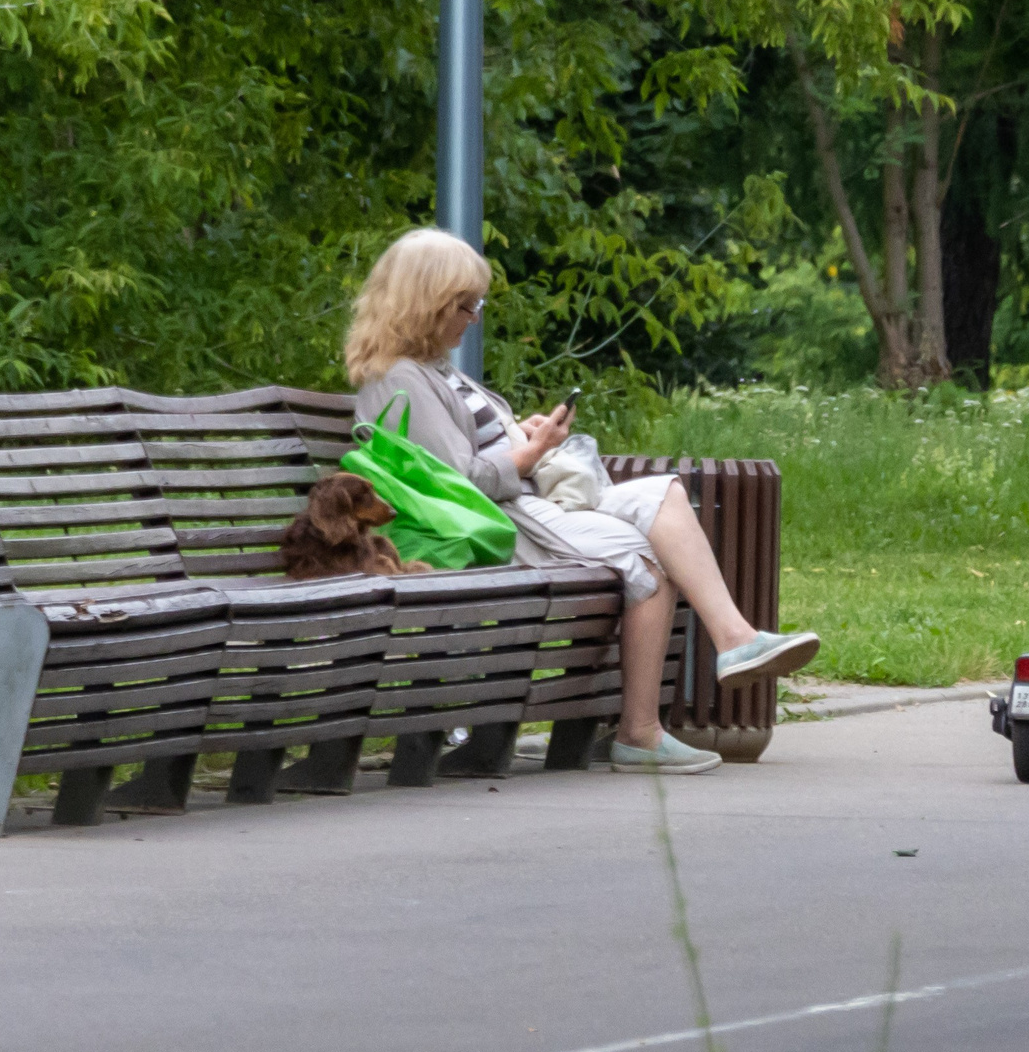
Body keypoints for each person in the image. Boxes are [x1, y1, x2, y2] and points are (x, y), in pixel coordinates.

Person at [346, 228, 818, 774]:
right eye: (464, 304)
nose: (473, 316)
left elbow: (470, 454)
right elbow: (461, 483)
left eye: (476, 303)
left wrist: (520, 436)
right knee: (646, 560)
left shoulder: (437, 371)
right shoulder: (399, 376)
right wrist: (531, 452)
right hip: (500, 526)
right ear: (425, 302)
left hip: (527, 508)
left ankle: (735, 639)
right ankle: (640, 733)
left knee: (664, 491)